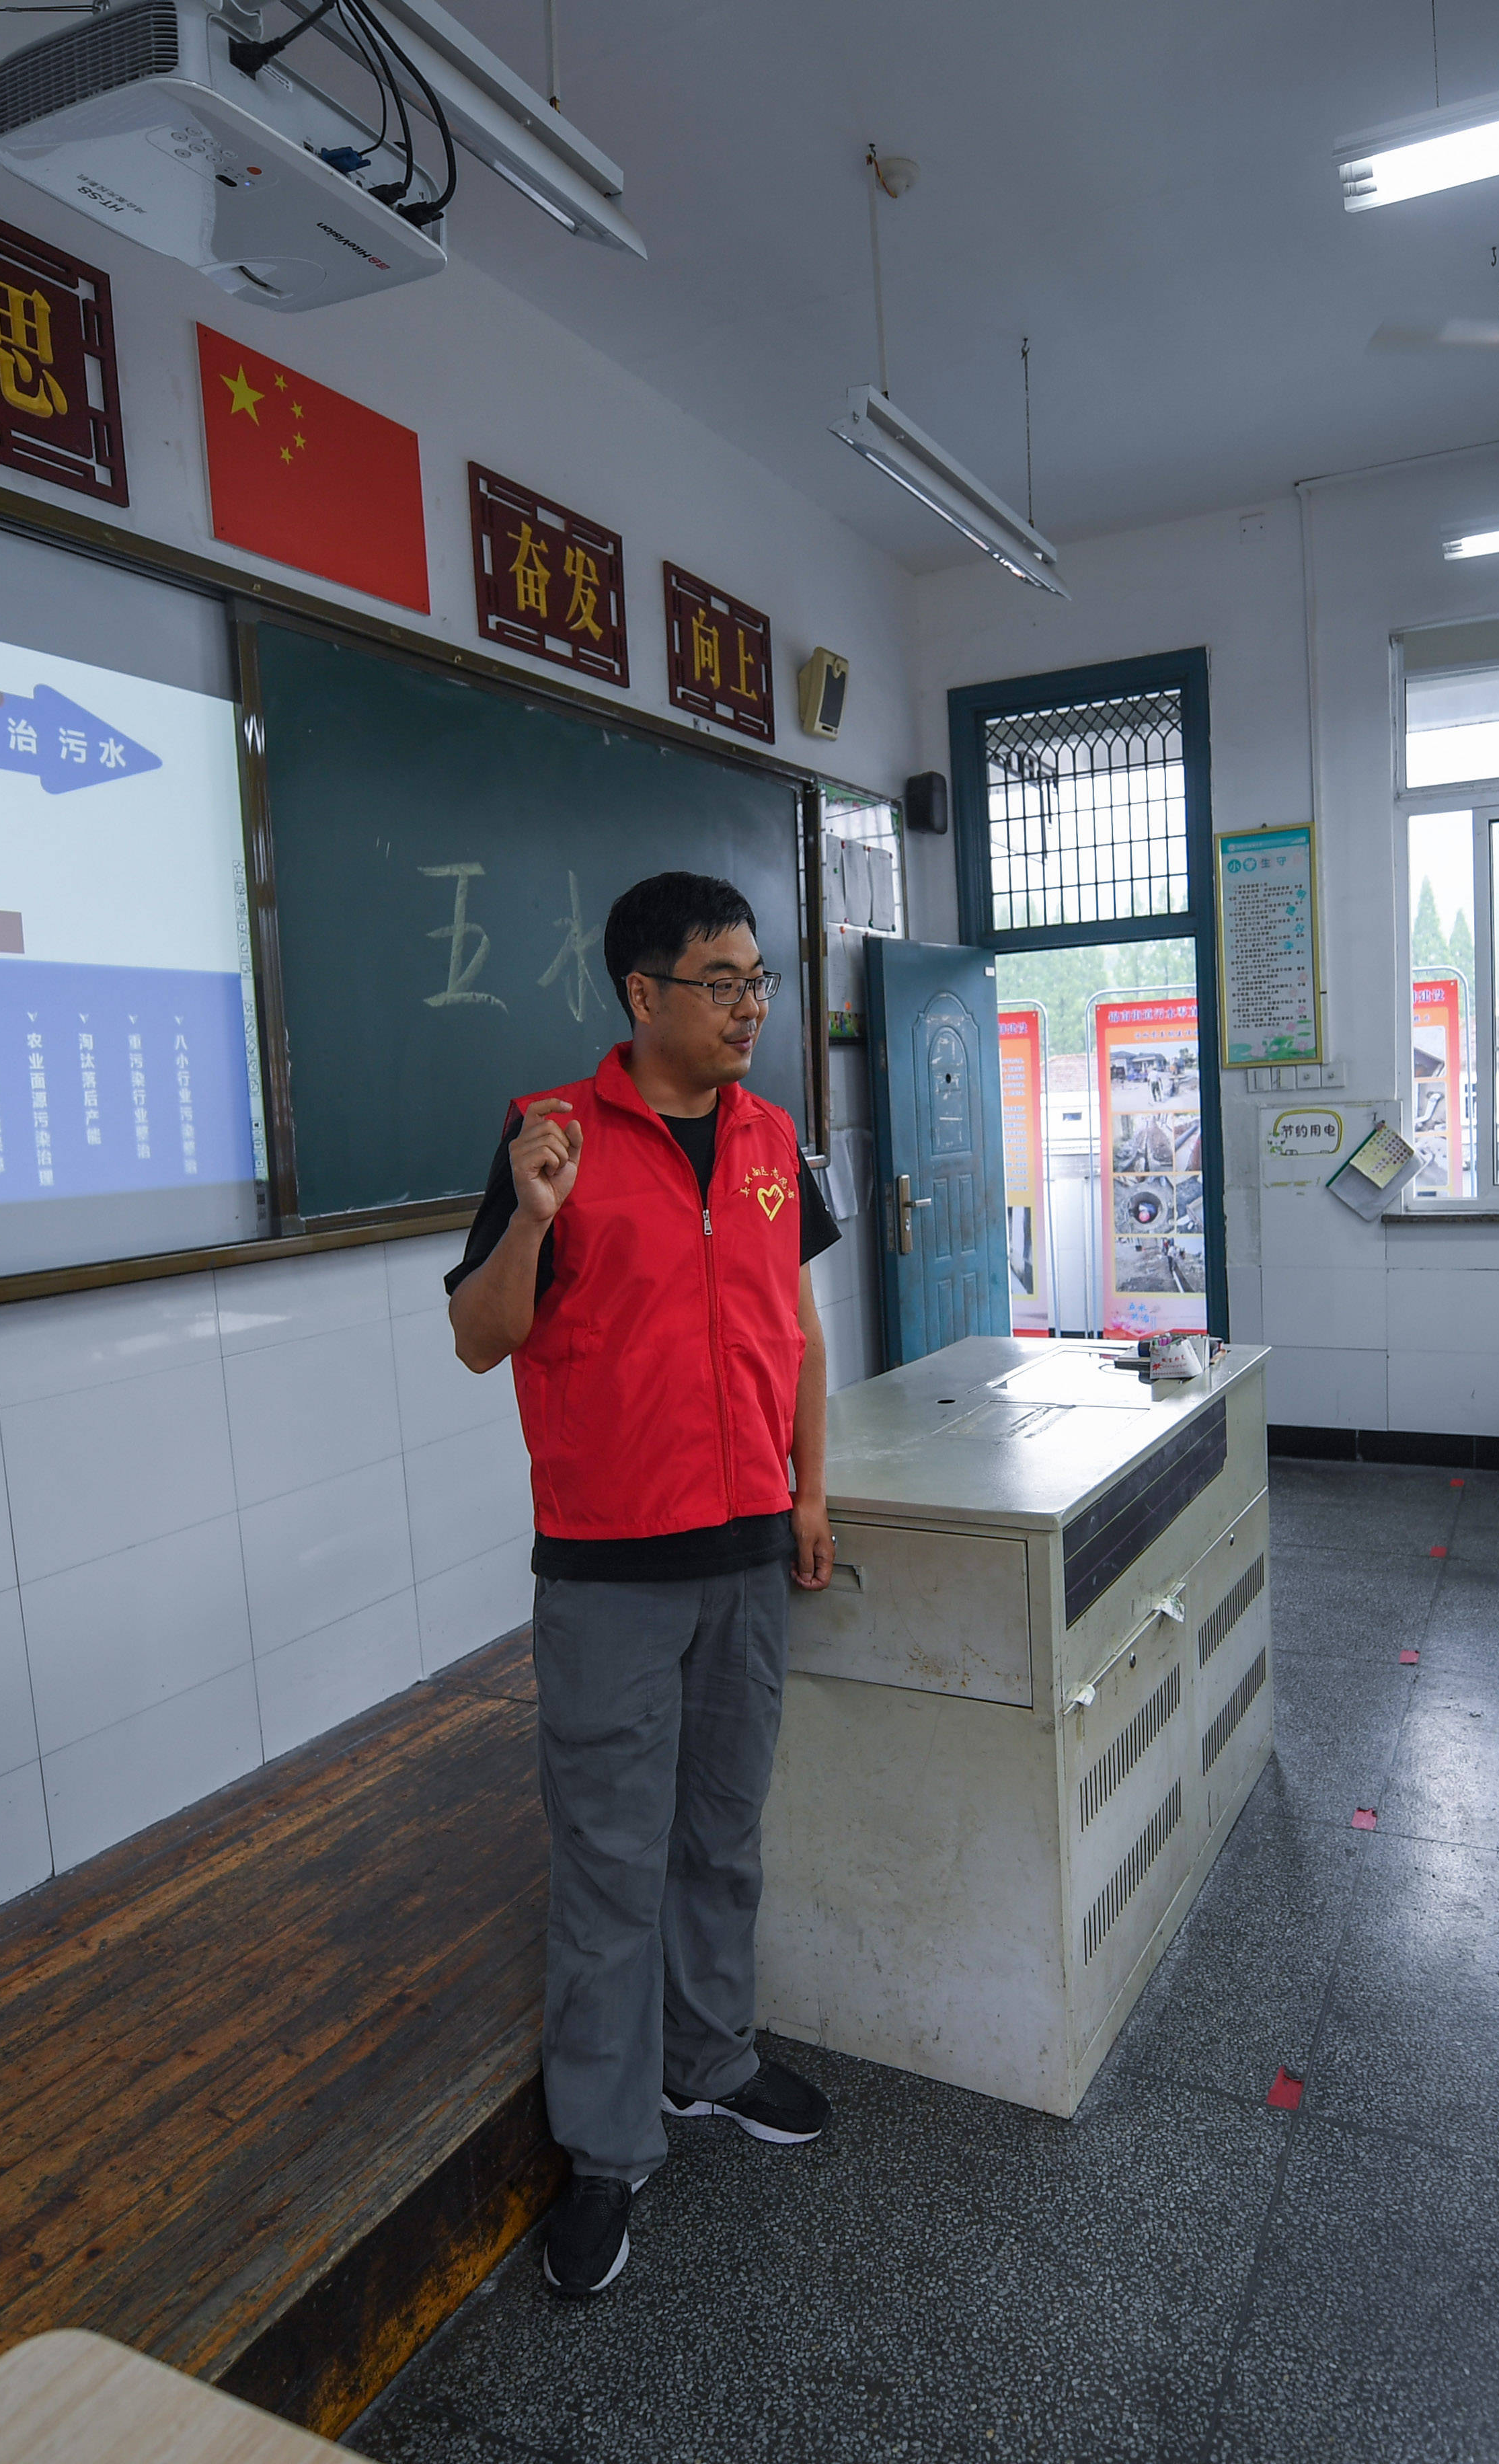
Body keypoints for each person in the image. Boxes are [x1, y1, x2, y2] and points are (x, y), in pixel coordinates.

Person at [443, 870, 841, 2299]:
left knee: (721, 1832)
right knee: (612, 1862)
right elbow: (479, 1339)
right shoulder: (547, 1136)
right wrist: (534, 1220)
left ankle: (709, 2059)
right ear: (644, 994)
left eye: (759, 981)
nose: (750, 1006)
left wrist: (808, 1484)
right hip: (611, 1568)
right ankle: (605, 2150)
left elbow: (796, 1320)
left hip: (745, 1551)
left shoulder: (774, 1137)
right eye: (724, 980)